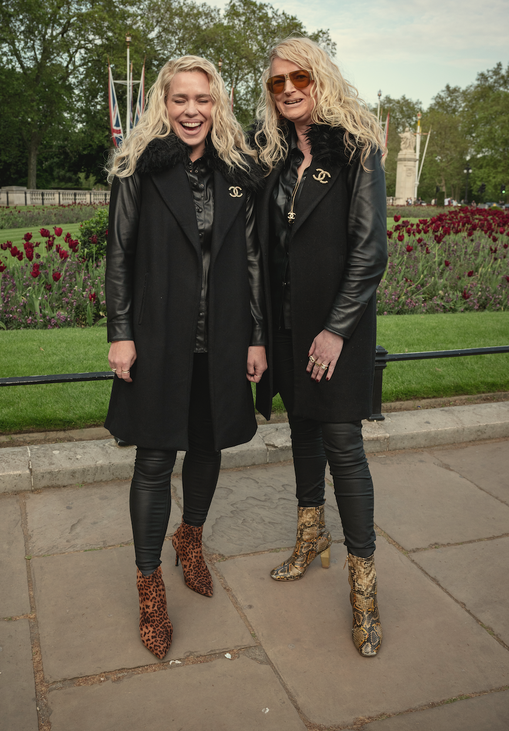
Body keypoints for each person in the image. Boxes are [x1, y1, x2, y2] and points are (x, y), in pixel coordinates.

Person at [105, 56, 267, 660]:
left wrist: (255, 336)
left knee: (207, 444)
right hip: (158, 335)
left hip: (222, 337)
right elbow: (119, 255)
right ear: (163, 103)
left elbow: (250, 258)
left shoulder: (237, 172)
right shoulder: (136, 169)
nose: (191, 111)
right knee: (153, 457)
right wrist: (121, 332)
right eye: (180, 100)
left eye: (202, 99)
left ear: (216, 103)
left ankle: (189, 539)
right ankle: (150, 587)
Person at [252, 37, 388, 657]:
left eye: (297, 77)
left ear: (320, 78)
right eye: (277, 82)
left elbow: (369, 250)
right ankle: (312, 537)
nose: (288, 90)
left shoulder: (356, 149)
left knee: (341, 443)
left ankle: (364, 591)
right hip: (287, 325)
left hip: (338, 328)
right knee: (301, 430)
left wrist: (336, 329)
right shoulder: (274, 156)